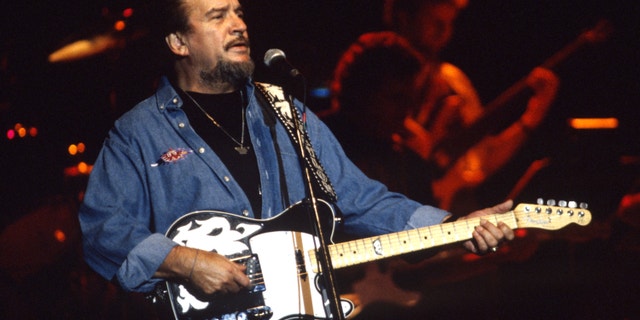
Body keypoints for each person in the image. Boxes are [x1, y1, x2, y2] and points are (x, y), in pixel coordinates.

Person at [78, 0, 514, 318]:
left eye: (239, 12)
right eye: (218, 16)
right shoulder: (137, 133)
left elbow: (362, 201)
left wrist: (453, 228)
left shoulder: (286, 112)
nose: (238, 26)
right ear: (178, 42)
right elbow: (103, 229)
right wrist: (187, 262)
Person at [329, 0, 559, 214]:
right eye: (435, 21)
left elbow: (482, 161)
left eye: (449, 23)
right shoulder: (370, 70)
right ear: (404, 17)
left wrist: (531, 119)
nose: (443, 31)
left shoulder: (453, 83)